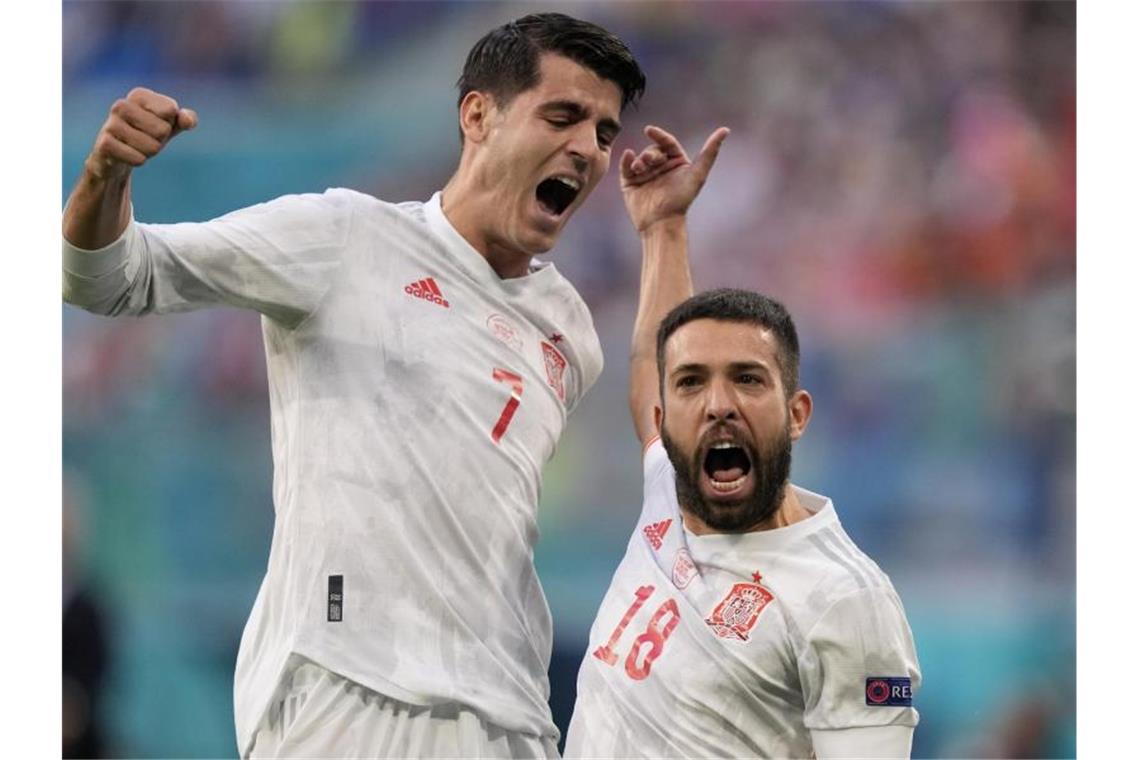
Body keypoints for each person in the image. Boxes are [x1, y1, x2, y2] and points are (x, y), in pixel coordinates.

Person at [61, 12, 723, 759]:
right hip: (349, 694)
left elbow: (677, 424)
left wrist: (664, 230)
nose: (588, 149)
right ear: (479, 115)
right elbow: (106, 278)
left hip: (510, 714)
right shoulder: (344, 237)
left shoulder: (565, 324)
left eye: (604, 132)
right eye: (563, 116)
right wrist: (105, 173)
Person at [564, 136, 923, 757]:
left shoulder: (845, 599)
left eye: (748, 379)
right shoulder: (667, 500)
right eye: (693, 385)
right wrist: (664, 229)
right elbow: (658, 362)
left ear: (797, 413)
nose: (718, 404)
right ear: (663, 414)